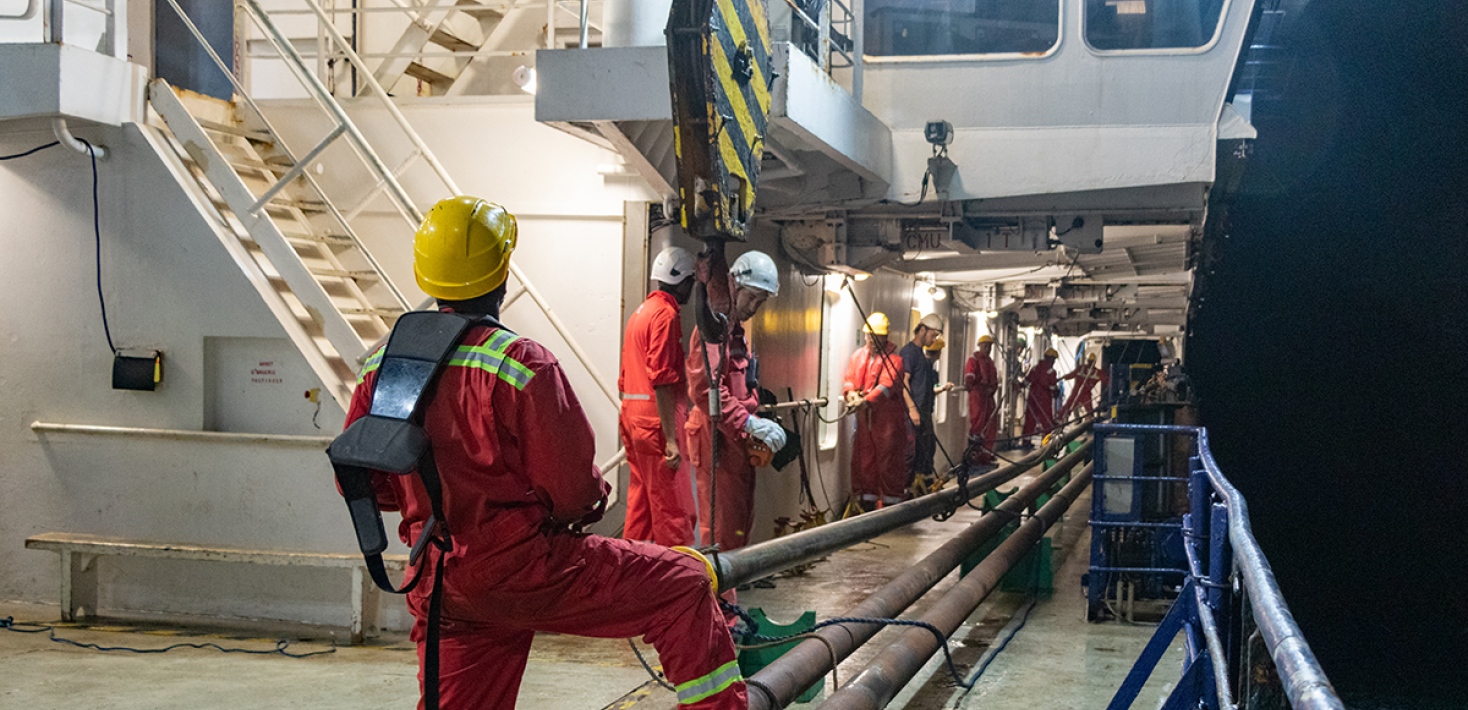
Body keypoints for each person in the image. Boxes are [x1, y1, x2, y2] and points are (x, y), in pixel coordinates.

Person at [344, 197, 745, 709]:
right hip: (527, 571)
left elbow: (362, 480)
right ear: (502, 276)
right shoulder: (521, 364)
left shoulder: (382, 362)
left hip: (439, 581)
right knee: (685, 583)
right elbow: (574, 493)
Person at [685, 250, 786, 555]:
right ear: (735, 286)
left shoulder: (736, 333)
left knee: (740, 525)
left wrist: (754, 419)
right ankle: (719, 600)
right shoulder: (713, 331)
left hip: (737, 441)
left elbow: (742, 386)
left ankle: (730, 599)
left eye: (761, 302)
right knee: (720, 532)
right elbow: (705, 389)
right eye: (752, 297)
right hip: (716, 439)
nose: (754, 307)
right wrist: (747, 421)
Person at [618, 246, 698, 547]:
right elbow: (663, 379)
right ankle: (677, 585)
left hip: (632, 416)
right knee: (673, 510)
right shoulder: (665, 315)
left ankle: (631, 576)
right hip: (655, 421)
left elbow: (626, 376)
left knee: (640, 507)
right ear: (684, 282)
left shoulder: (640, 313)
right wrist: (672, 439)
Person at [843, 312, 912, 511]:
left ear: (885, 337)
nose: (872, 341)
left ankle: (892, 507)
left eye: (877, 337)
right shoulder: (857, 357)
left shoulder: (895, 361)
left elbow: (885, 387)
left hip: (887, 420)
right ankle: (866, 503)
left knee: (888, 460)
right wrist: (851, 395)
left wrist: (864, 401)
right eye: (869, 336)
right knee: (864, 459)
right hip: (865, 418)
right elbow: (849, 379)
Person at [899, 314, 944, 493]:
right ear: (923, 330)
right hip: (913, 413)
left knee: (926, 449)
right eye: (933, 335)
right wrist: (912, 409)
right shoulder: (909, 353)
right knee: (912, 453)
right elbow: (904, 381)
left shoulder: (920, 355)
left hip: (923, 412)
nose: (933, 340)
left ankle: (920, 485)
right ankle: (907, 491)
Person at [964, 335, 1000, 465]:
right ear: (980, 346)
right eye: (985, 346)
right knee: (977, 424)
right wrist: (974, 387)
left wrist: (992, 388)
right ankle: (974, 454)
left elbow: (994, 379)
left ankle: (986, 454)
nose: (988, 348)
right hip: (977, 396)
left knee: (991, 424)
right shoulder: (973, 360)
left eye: (989, 346)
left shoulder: (990, 362)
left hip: (988, 397)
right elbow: (969, 377)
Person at [1023, 347, 1061, 446]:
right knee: (1046, 419)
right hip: (1044, 398)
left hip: (1032, 396)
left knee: (1030, 418)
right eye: (1053, 360)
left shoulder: (1035, 367)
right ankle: (1046, 442)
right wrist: (1056, 391)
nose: (1053, 362)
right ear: (1050, 359)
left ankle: (1026, 440)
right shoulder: (1051, 371)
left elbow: (1027, 380)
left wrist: (1019, 385)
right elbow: (1051, 386)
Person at [1059, 352, 1104, 422]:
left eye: (1092, 361)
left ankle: (1089, 421)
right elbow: (1071, 375)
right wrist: (1061, 378)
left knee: (1089, 410)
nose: (1090, 363)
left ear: (1094, 362)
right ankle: (1061, 419)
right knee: (1068, 407)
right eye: (1090, 361)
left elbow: (1107, 379)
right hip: (1076, 393)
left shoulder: (1097, 372)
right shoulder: (1081, 368)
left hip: (1086, 394)